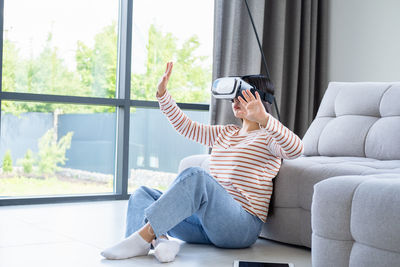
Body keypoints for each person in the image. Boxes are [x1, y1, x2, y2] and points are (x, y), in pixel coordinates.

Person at [100, 61, 304, 263]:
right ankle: (159, 241)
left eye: (241, 97)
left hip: (240, 227)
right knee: (142, 194)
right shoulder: (226, 133)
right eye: (233, 98)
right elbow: (186, 127)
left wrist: (265, 119)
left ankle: (143, 238)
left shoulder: (269, 136)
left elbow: (296, 149)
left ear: (259, 101)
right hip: (204, 225)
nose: (235, 102)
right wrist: (163, 96)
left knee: (196, 175)